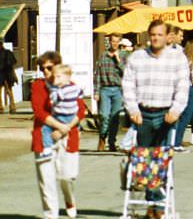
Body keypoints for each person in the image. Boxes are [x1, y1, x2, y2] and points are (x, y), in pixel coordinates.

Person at [122, 20, 189, 218]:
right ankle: (152, 203)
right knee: (144, 159)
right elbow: (128, 85)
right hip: (142, 113)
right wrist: (132, 109)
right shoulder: (137, 57)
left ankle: (157, 205)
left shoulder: (177, 58)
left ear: (167, 37)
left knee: (160, 159)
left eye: (159, 34)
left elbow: (183, 86)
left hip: (165, 113)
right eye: (152, 34)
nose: (155, 38)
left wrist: (176, 109)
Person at [32, 51, 85, 219]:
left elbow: (81, 110)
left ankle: (69, 200)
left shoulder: (70, 85)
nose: (46, 72)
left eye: (49, 68)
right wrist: (58, 126)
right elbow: (38, 111)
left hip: (68, 135)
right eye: (42, 69)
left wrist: (65, 128)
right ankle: (50, 214)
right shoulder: (38, 86)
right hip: (44, 135)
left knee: (67, 176)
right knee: (46, 180)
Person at [93, 33, 127, 152]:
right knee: (104, 115)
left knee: (114, 117)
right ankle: (102, 137)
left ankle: (112, 142)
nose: (115, 44)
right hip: (105, 89)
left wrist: (118, 61)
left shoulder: (123, 55)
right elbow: (97, 75)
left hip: (118, 89)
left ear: (120, 42)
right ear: (109, 42)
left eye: (117, 41)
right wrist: (96, 91)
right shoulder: (103, 56)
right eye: (113, 41)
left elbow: (127, 73)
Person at [0, 41, 18, 114]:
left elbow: (12, 64)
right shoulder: (8, 52)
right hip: (6, 74)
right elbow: (13, 63)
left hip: (5, 74)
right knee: (9, 91)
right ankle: (11, 107)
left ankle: (9, 107)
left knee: (9, 91)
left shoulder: (8, 53)